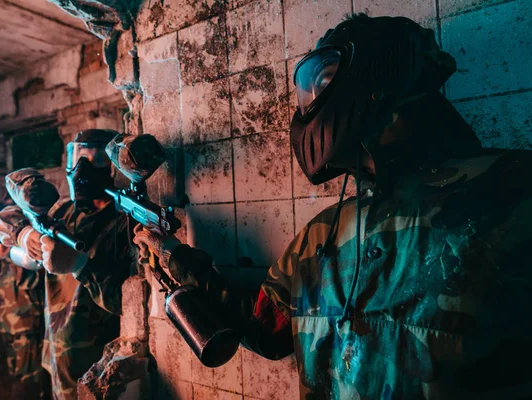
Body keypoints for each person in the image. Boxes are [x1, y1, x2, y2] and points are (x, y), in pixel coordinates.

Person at [133, 14, 532, 399]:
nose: (309, 103)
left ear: (379, 71)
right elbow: (262, 329)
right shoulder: (321, 236)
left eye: (323, 80)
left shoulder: (515, 189)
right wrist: (172, 254)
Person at [0, 129, 135, 400]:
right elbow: (2, 220)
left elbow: (126, 303)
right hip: (56, 351)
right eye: (78, 156)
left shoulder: (125, 222)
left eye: (96, 159)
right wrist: (25, 237)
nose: (83, 167)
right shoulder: (62, 213)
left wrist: (80, 266)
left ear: (112, 165)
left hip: (100, 362)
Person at [0, 199, 47, 400]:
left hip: (29, 320)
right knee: (23, 377)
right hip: (12, 322)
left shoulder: (27, 239)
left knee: (29, 379)